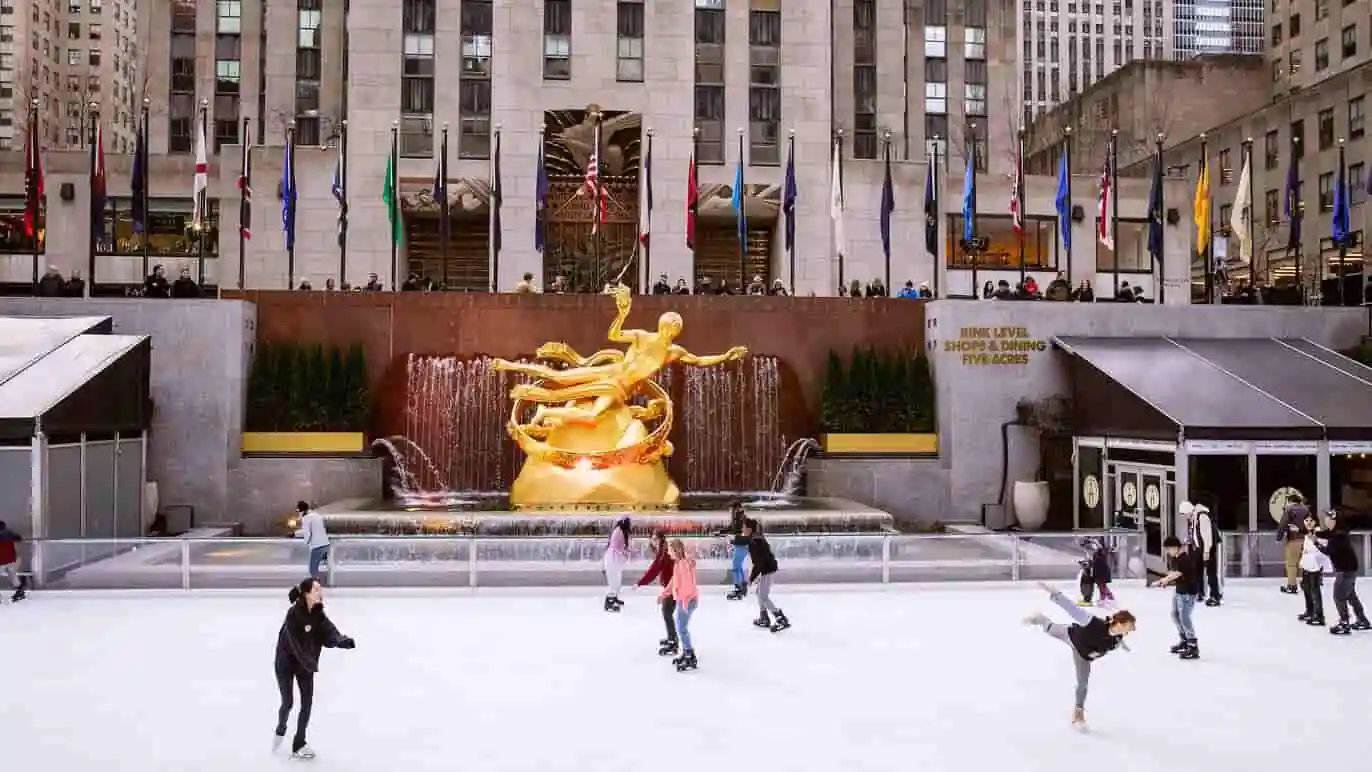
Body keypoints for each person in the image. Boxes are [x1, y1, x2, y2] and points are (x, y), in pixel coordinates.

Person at [1024, 582, 1137, 729]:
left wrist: (1123, 645)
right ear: (1119, 623)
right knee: (1050, 629)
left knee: (1083, 683)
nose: (1131, 629)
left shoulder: (1116, 639)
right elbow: (1072, 609)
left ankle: (1078, 713)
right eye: (1129, 626)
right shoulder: (1092, 622)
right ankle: (1040, 619)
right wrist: (1056, 593)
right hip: (1071, 636)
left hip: (1082, 655)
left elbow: (1117, 642)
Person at [273, 577, 355, 759]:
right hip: (285, 664)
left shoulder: (319, 616)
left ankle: (299, 743)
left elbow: (329, 633)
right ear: (307, 594)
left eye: (320, 589)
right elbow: (294, 645)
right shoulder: (293, 616)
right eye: (317, 589)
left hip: (306, 665)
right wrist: (310, 663)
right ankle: (281, 728)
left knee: (307, 704)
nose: (320, 592)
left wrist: (342, 641)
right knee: (288, 702)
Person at [1315, 510, 1371, 634]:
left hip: (1345, 570)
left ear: (1333, 520)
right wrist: (1315, 533)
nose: (1325, 521)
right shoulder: (1338, 531)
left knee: (1339, 596)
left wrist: (1315, 542)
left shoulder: (1337, 536)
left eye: (1327, 519)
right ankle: (1362, 620)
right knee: (1351, 596)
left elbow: (1328, 551)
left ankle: (1344, 622)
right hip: (1349, 569)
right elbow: (1325, 534)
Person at [1153, 535, 1201, 659]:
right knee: (1175, 614)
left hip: (1188, 593)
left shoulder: (1184, 559)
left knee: (1184, 617)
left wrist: (1162, 581)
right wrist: (1166, 580)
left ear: (1175, 547)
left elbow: (1176, 573)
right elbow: (1174, 573)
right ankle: (1184, 639)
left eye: (1168, 549)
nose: (1168, 552)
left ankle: (1192, 645)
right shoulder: (1176, 558)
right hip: (1179, 590)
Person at [661, 538, 700, 672]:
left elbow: (688, 585)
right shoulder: (679, 564)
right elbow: (673, 582)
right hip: (684, 601)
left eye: (670, 550)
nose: (668, 553)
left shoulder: (683, 565)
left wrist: (684, 601)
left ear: (676, 550)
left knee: (682, 628)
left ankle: (690, 655)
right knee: (680, 627)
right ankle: (686, 652)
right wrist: (664, 594)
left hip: (687, 601)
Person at [744, 518, 789, 632]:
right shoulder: (756, 538)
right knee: (759, 593)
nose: (742, 529)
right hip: (767, 568)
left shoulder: (755, 542)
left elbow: (759, 563)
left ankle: (780, 618)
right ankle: (764, 617)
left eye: (744, 527)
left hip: (768, 569)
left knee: (763, 596)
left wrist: (751, 579)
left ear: (749, 529)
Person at [636, 531, 678, 655]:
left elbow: (654, 570)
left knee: (667, 612)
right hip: (670, 586)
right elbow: (655, 569)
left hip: (673, 587)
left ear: (660, 539)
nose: (653, 541)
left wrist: (640, 582)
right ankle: (672, 637)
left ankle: (673, 641)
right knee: (667, 613)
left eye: (655, 539)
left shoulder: (665, 553)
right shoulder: (661, 551)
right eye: (652, 539)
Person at [1298, 511, 1331, 627]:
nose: (1308, 523)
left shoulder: (1319, 533)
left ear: (1315, 522)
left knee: (1315, 591)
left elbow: (1322, 550)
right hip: (1307, 565)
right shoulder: (1307, 533)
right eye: (1306, 521)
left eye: (1310, 521)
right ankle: (1310, 611)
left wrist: (1315, 542)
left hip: (1316, 566)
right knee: (1306, 588)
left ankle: (1319, 615)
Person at [1187, 503, 1222, 606]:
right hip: (1199, 548)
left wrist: (1206, 551)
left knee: (1211, 572)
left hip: (1207, 549)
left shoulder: (1202, 517)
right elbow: (1194, 534)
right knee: (1197, 570)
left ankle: (1215, 596)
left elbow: (1207, 537)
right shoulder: (1193, 517)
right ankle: (1200, 592)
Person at [1276, 494, 1309, 594]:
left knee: (1291, 564)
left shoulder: (1289, 509)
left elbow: (1283, 524)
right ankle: (1306, 583)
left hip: (1293, 540)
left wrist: (1279, 537)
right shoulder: (1306, 510)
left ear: (1291, 501)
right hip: (1306, 540)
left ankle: (1292, 585)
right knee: (1304, 563)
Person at [720, 500, 750, 600]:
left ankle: (739, 589)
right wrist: (721, 532)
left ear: (736, 509)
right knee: (738, 566)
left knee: (736, 566)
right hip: (741, 545)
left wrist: (732, 540)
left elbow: (738, 531)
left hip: (742, 545)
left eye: (732, 509)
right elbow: (732, 528)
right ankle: (741, 587)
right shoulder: (738, 518)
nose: (731, 511)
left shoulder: (740, 518)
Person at [294, 502, 330, 580]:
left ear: (302, 510)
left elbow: (307, 533)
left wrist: (304, 542)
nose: (299, 514)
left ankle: (315, 586)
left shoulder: (306, 518)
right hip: (326, 544)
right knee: (325, 566)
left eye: (299, 511)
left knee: (312, 569)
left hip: (317, 546)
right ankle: (325, 581)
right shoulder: (317, 515)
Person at [603, 516, 631, 612]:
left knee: (617, 581)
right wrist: (625, 553)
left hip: (614, 560)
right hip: (612, 560)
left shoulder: (619, 531)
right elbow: (616, 547)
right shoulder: (618, 532)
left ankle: (614, 598)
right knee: (613, 582)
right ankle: (609, 603)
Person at [1076, 537, 1114, 608]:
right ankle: (1109, 598)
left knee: (1102, 586)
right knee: (1102, 586)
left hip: (1102, 573)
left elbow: (1100, 549)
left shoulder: (1100, 552)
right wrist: (1085, 563)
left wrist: (1094, 542)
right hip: (1098, 573)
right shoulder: (1094, 555)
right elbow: (1092, 563)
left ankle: (1105, 599)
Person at [0, 520, 27, 603]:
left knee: (12, 575)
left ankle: (20, 590)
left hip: (5, 559)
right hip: (11, 559)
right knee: (12, 575)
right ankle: (20, 590)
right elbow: (19, 538)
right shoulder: (9, 533)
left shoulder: (6, 534)